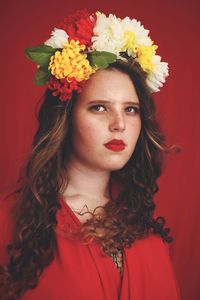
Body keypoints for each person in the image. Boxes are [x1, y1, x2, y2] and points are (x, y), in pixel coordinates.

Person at [0, 9, 181, 300]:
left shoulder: (145, 228)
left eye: (130, 109)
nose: (119, 124)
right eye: (99, 107)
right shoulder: (10, 220)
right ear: (66, 118)